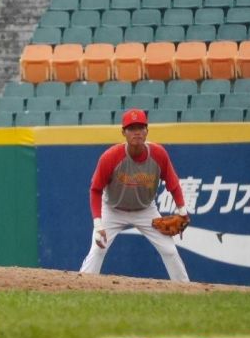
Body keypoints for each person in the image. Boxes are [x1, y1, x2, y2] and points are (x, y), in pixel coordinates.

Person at [78, 108, 190, 282]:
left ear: (147, 131)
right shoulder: (110, 157)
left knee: (170, 251)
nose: (136, 132)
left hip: (145, 210)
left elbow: (173, 183)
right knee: (98, 248)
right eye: (131, 128)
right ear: (123, 132)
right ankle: (82, 286)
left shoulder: (158, 154)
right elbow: (95, 190)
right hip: (113, 209)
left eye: (140, 127)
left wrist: (182, 210)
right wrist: (98, 224)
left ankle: (185, 289)